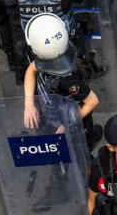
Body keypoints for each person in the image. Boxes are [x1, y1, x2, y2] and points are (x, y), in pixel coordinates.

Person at [22, 12, 101, 147]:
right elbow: (31, 69)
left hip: (72, 118)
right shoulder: (53, 53)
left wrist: (67, 126)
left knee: (82, 145)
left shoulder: (68, 79)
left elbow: (92, 101)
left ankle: (89, 141)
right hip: (54, 114)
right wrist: (29, 104)